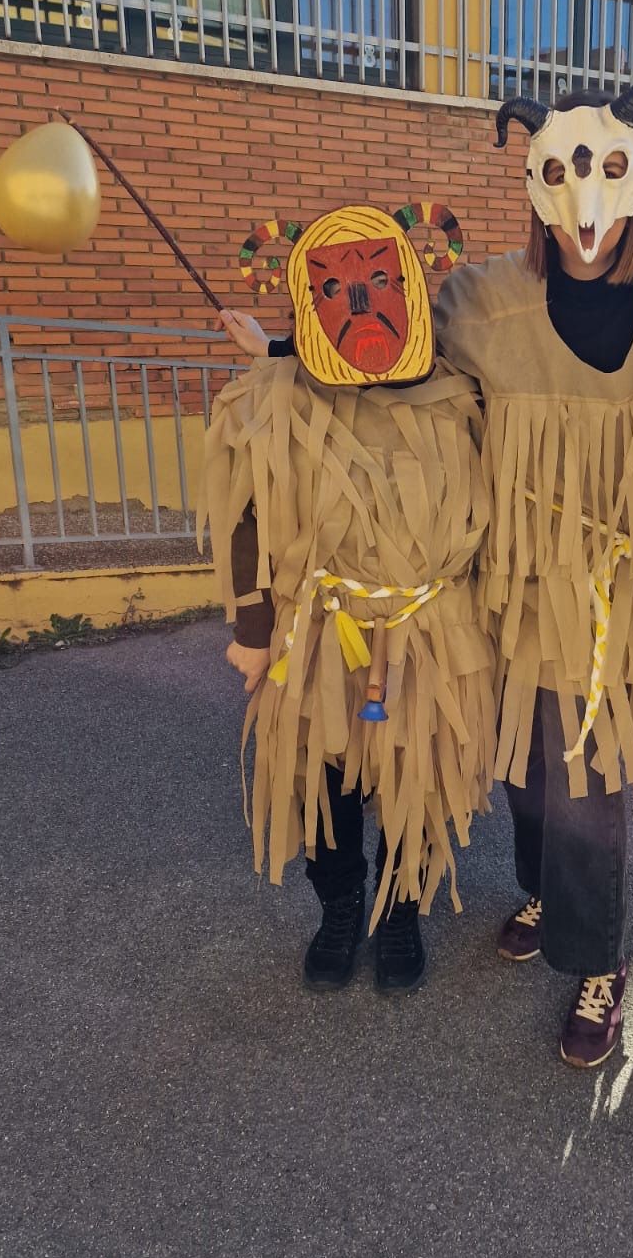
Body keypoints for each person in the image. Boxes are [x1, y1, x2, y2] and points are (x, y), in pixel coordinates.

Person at [435, 84, 633, 1067]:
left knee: (592, 790)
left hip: (620, 605)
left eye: (605, 172)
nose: (586, 208)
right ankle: (545, 891)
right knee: (521, 772)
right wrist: (283, 350)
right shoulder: (482, 300)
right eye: (558, 173)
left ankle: (601, 960)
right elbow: (384, 363)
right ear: (534, 183)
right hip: (514, 586)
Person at [202, 202, 494, 995]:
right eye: (335, 289)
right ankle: (339, 905)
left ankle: (402, 909)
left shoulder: (461, 398)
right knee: (324, 783)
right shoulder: (276, 403)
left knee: (419, 782)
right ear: (307, 302)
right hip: (320, 633)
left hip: (432, 632)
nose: (360, 301)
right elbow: (248, 521)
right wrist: (255, 631)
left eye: (378, 282)